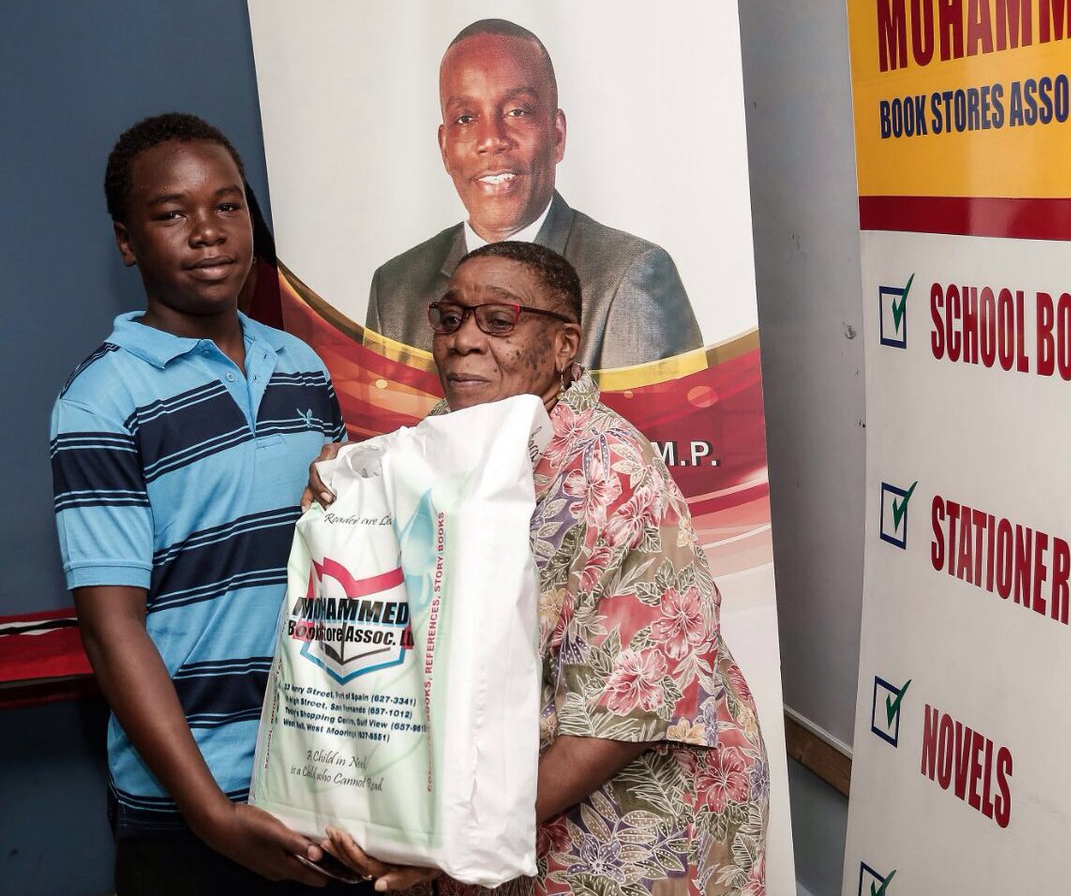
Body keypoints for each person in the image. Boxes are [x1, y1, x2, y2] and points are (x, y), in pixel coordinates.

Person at [314, 241, 767, 895]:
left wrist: (456, 848)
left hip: (622, 825)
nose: (464, 340)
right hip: (498, 809)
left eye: (498, 320)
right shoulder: (445, 438)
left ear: (564, 346)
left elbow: (623, 717)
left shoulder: (608, 470)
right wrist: (337, 496)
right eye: (449, 317)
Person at [50, 113, 355, 894]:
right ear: (127, 241)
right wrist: (209, 813)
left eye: (227, 205)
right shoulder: (101, 399)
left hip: (324, 779)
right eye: (172, 213)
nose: (208, 232)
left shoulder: (302, 368)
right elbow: (110, 624)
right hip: (189, 804)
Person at [364, 19, 703, 370]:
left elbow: (656, 427)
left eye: (517, 111)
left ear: (556, 136)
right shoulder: (394, 292)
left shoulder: (629, 280)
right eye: (465, 118)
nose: (491, 139)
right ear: (445, 148)